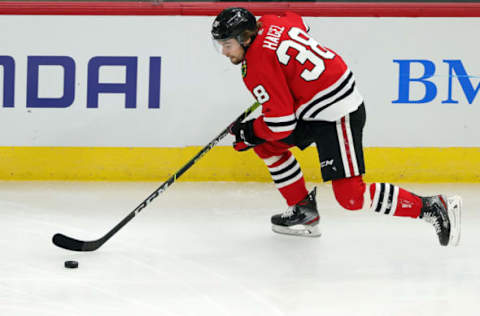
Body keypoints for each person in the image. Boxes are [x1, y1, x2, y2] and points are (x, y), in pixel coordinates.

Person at [211, 7, 462, 246]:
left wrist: (251, 131)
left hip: (337, 113)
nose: (224, 52)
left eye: (227, 45)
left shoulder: (256, 66)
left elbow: (282, 123)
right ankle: (303, 210)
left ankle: (431, 207)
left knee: (351, 198)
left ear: (245, 38)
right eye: (220, 45)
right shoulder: (271, 21)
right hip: (314, 106)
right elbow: (300, 23)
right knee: (267, 146)